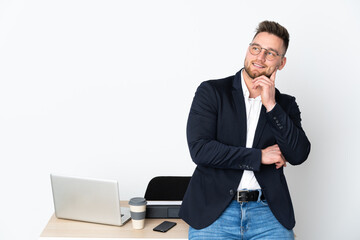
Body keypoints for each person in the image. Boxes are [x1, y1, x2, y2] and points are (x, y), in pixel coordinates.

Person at [179, 20, 311, 239]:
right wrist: (259, 156)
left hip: (267, 212)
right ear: (248, 49)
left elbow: (298, 154)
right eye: (256, 48)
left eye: (270, 53)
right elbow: (200, 150)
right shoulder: (212, 92)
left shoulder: (285, 105)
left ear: (282, 62)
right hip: (214, 211)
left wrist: (271, 105)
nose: (260, 57)